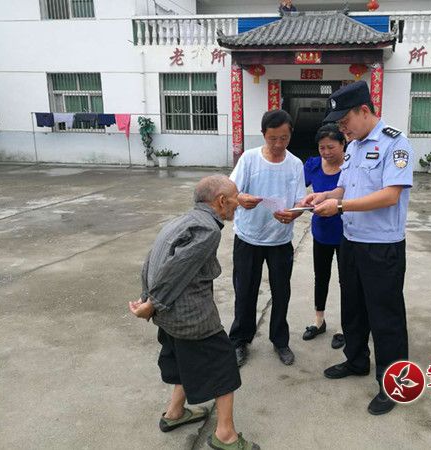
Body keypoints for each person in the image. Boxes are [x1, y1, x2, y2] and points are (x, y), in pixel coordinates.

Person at [303, 80, 414, 416]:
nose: (342, 129)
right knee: (353, 308)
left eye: (345, 121)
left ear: (364, 110)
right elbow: (344, 189)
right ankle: (356, 360)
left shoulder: (395, 144)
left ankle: (393, 384)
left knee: (385, 317)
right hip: (351, 241)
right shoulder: (352, 146)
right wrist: (324, 196)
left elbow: (390, 195)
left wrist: (339, 206)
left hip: (381, 246)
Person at [129, 175, 259, 450]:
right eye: (235, 198)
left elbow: (151, 259)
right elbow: (177, 269)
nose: (238, 203)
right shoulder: (208, 230)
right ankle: (225, 435)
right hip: (190, 316)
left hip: (168, 315)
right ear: (221, 201)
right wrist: (152, 303)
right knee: (223, 364)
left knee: (181, 357)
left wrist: (147, 297)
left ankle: (175, 413)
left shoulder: (182, 220)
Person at [229, 109, 306, 367]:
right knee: (245, 291)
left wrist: (294, 214)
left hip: (280, 240)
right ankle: (239, 340)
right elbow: (231, 191)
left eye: (284, 138)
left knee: (281, 292)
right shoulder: (249, 159)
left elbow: (300, 201)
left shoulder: (295, 164)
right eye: (273, 138)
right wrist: (240, 198)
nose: (278, 144)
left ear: (290, 135)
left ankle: (280, 341)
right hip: (248, 237)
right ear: (263, 134)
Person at [302, 123, 346, 350]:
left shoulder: (351, 166)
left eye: (331, 147)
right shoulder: (312, 165)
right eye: (322, 147)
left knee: (347, 280)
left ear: (343, 144)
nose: (326, 152)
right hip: (321, 231)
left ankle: (345, 327)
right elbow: (297, 188)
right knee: (321, 276)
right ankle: (319, 320)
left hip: (348, 233)